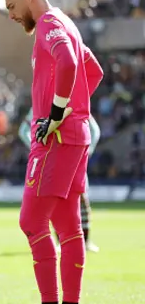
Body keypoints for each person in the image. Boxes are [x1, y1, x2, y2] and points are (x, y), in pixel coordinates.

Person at [0, 0, 104, 304]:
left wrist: (58, 114)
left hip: (56, 139)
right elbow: (94, 70)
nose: (11, 15)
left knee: (31, 222)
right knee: (68, 226)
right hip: (76, 138)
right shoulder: (67, 24)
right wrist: (76, 110)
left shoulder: (48, 24)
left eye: (12, 6)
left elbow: (73, 66)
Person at [19, 108, 101, 253]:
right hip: (65, 158)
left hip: (58, 159)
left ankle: (76, 242)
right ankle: (77, 242)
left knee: (70, 200)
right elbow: (94, 130)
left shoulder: (47, 102)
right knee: (72, 201)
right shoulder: (71, 99)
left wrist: (36, 146)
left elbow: (94, 130)